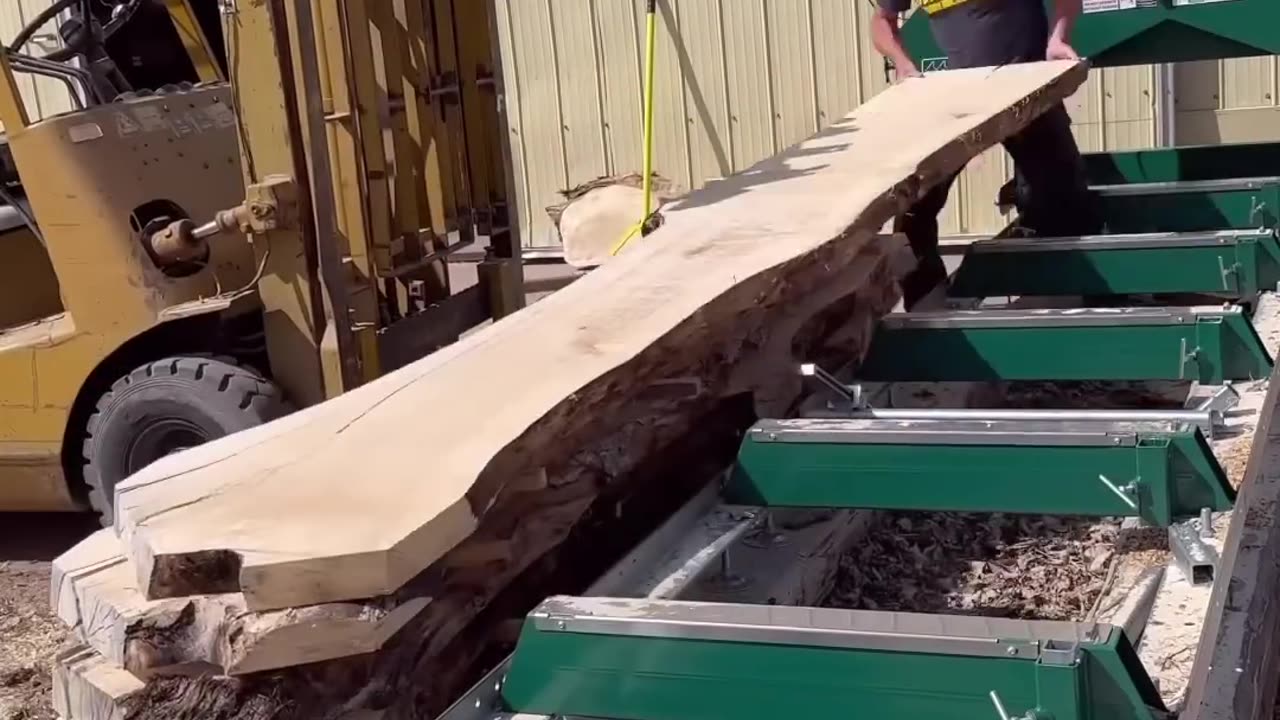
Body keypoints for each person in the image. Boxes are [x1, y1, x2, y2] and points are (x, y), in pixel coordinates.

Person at [870, 0, 1103, 309]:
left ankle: (1076, 297)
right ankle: (927, 307)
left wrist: (1058, 38)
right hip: (959, 96)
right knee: (916, 205)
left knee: (1067, 198)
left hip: (1025, 86)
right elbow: (882, 21)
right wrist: (902, 62)